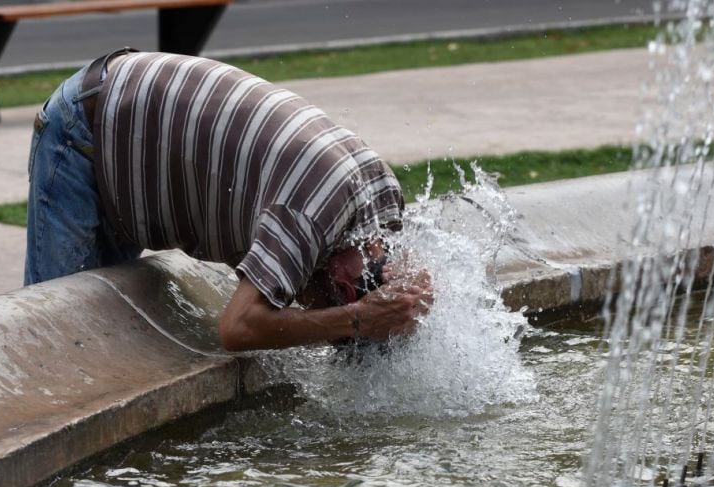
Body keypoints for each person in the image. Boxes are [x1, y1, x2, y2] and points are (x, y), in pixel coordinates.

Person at [24, 49, 433, 351]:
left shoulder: (381, 198)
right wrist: (356, 321)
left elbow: (417, 279)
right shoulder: (306, 217)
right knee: (55, 334)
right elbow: (237, 328)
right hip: (89, 129)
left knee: (97, 335)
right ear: (343, 289)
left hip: (134, 129)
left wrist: (412, 300)